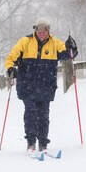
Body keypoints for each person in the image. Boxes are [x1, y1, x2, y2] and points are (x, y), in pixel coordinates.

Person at [5, 17, 78, 153]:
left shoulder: (55, 43)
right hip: (27, 85)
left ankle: (43, 143)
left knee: (43, 115)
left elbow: (69, 55)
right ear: (35, 29)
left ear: (48, 30)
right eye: (39, 29)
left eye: (45, 29)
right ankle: (31, 143)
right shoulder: (25, 42)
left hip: (46, 86)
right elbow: (11, 58)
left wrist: (72, 48)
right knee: (30, 113)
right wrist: (10, 68)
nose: (42, 32)